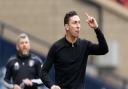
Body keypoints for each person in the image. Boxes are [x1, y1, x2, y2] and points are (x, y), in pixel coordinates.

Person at [40, 11, 109, 89]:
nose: (78, 26)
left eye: (79, 23)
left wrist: (96, 28)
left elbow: (104, 49)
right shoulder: (56, 47)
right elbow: (43, 72)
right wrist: (51, 86)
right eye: (75, 23)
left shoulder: (85, 45)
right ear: (67, 27)